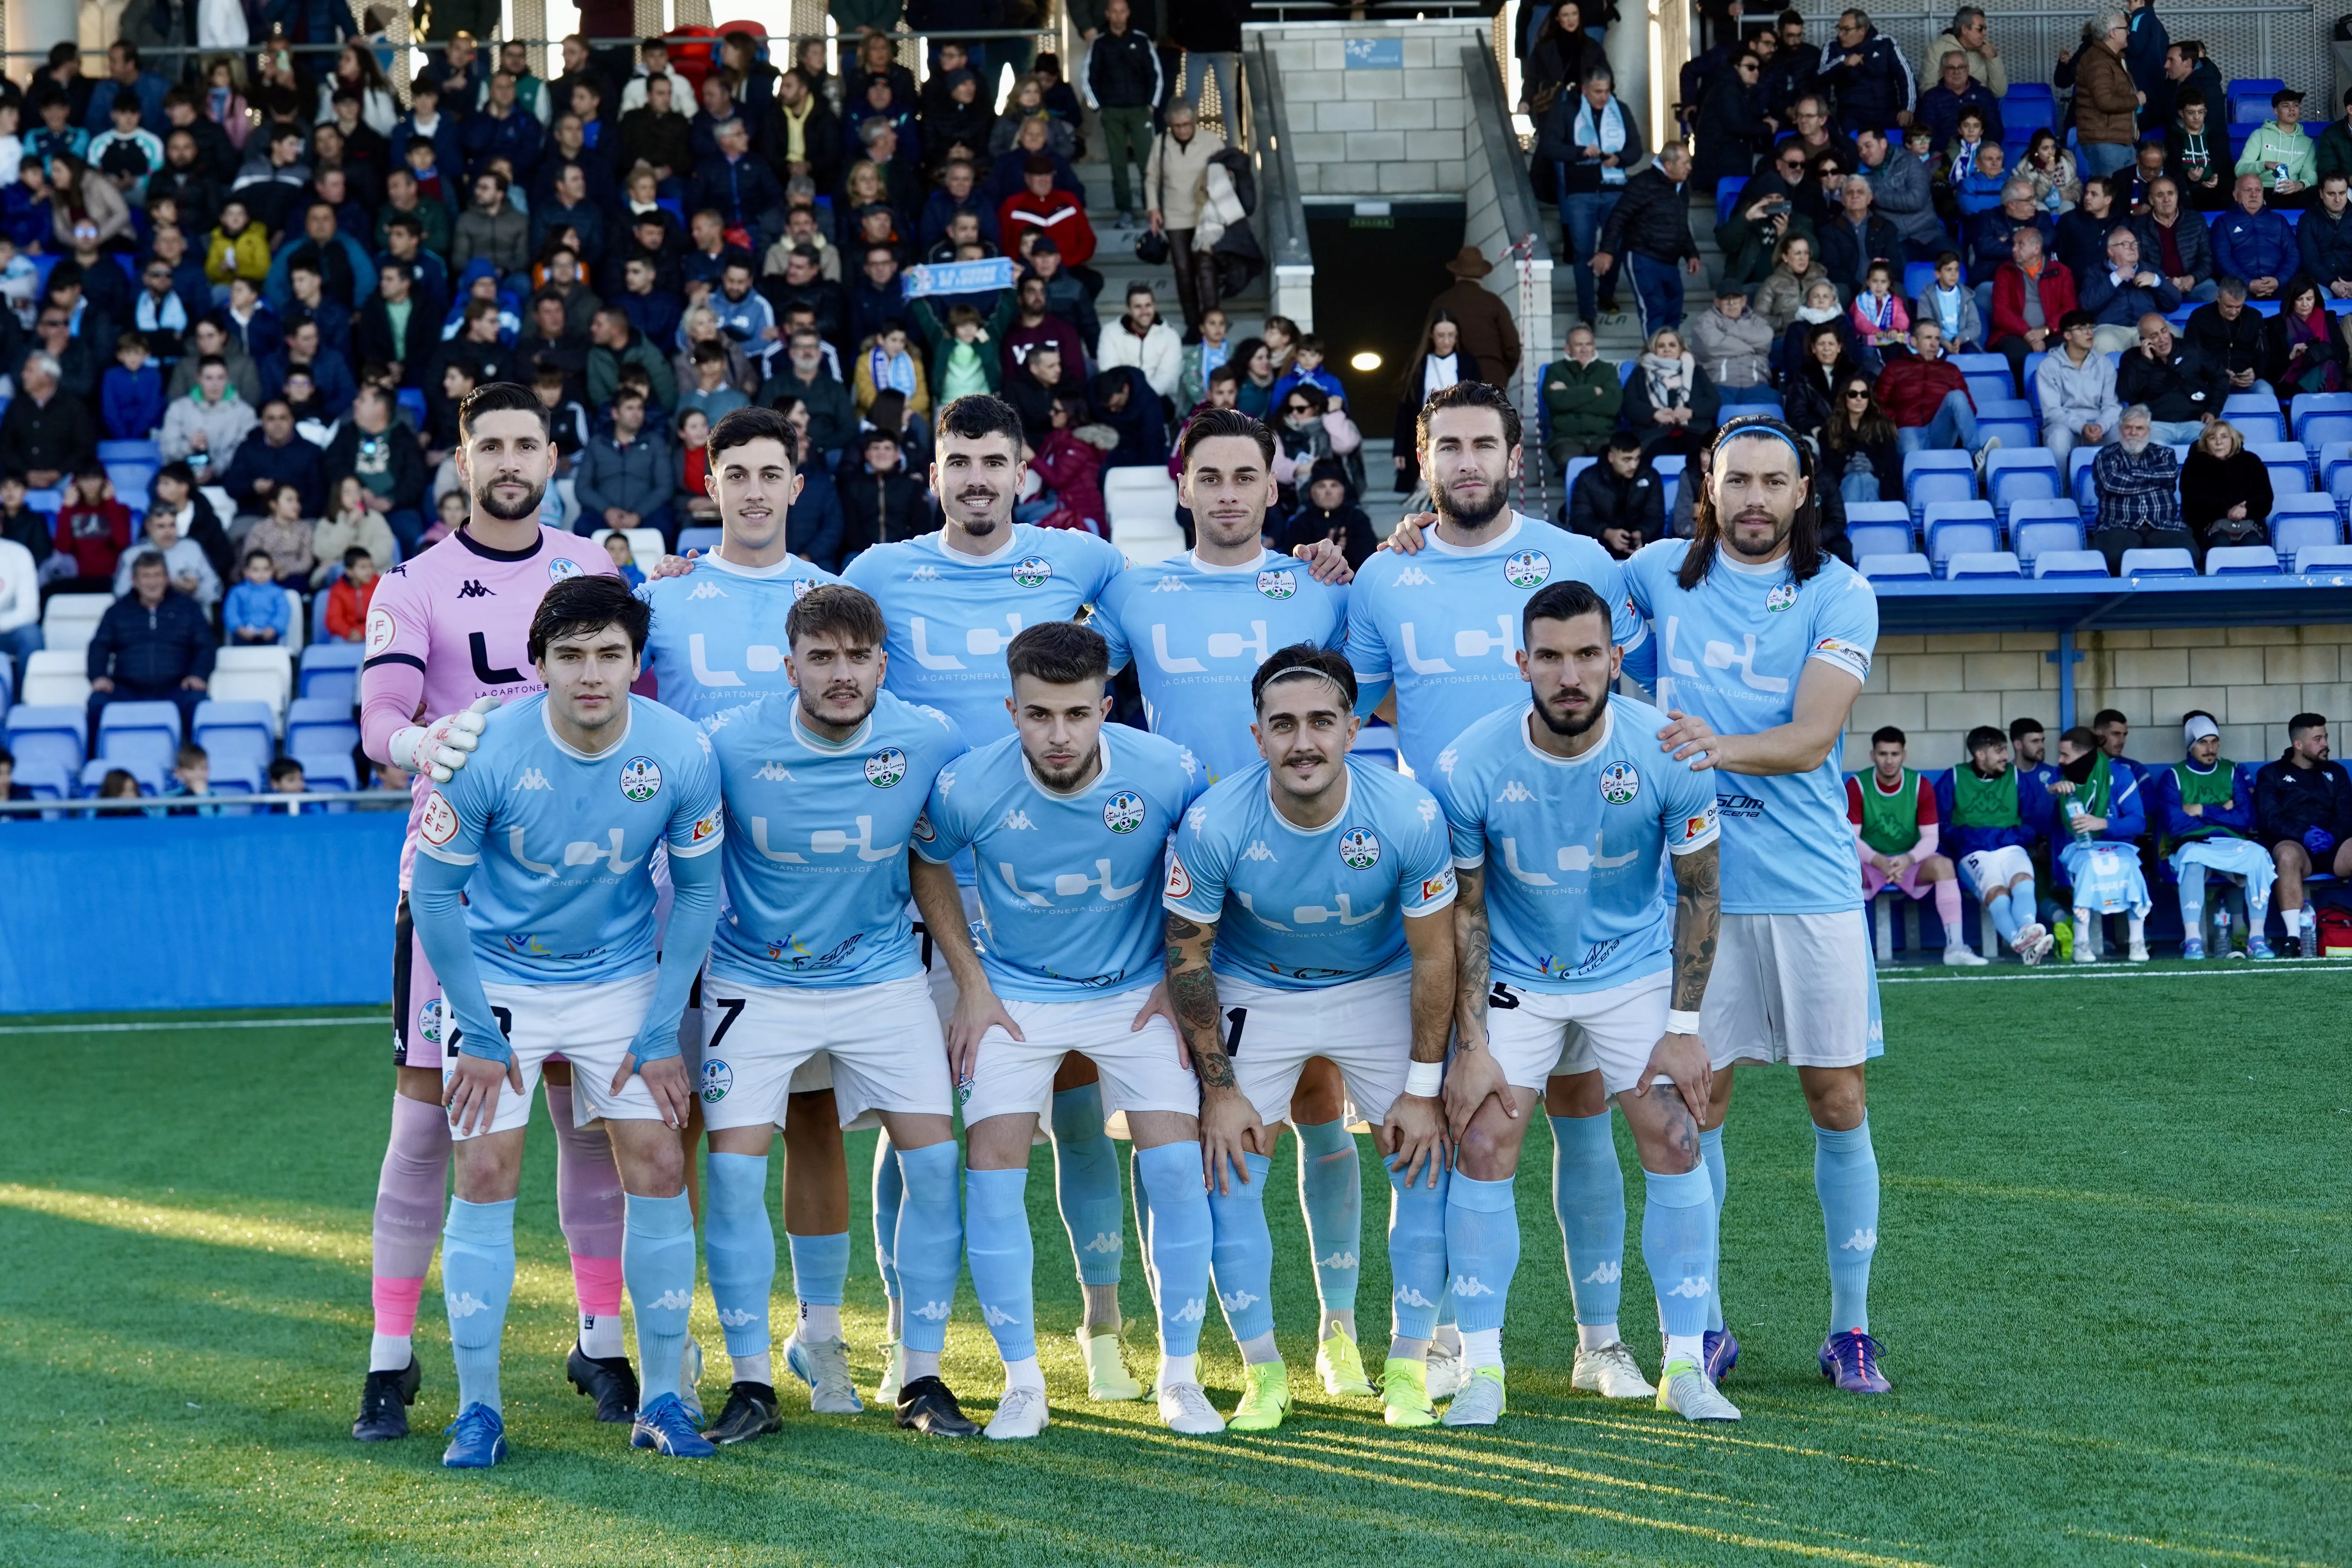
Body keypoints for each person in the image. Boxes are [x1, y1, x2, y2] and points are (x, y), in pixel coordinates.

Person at [837, 396, 1140, 1407]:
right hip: (922, 887)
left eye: (993, 461)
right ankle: (901, 1340)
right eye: (958, 460)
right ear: (934, 472)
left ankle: (1103, 1327)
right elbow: (816, 642)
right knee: (910, 1125)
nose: (975, 477)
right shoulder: (878, 572)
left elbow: (1174, 605)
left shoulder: (1082, 561)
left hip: (1054, 890)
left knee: (1082, 1114)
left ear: (1024, 473)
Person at [349, 384, 628, 1447]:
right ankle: (389, 1359)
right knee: (427, 1122)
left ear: (552, 455)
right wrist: (422, 744)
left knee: (587, 1120)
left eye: (527, 443)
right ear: (461, 461)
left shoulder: (592, 567)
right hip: (457, 886)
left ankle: (601, 1341)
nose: (510, 461)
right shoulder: (414, 583)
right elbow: (379, 716)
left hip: (591, 882)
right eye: (490, 446)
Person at [406, 573, 721, 1470]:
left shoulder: (681, 752)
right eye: (572, 654)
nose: (592, 673)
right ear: (538, 662)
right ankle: (478, 1410)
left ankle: (662, 1396)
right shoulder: (488, 752)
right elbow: (434, 893)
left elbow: (696, 896)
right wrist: (479, 1029)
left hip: (621, 979)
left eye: (611, 654)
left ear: (635, 664)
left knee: (661, 1161)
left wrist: (661, 1029)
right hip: (501, 979)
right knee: (488, 1166)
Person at [1417, 577, 1731, 1427]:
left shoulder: (1668, 750)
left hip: (1629, 969)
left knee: (1674, 1131)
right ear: (1522, 662)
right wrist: (1473, 1041)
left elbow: (1701, 892)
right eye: (1550, 656)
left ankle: (1685, 1365)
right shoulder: (1470, 763)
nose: (1569, 674)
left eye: (1587, 654)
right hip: (1521, 972)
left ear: (1614, 660)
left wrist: (1682, 1028)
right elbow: (1466, 911)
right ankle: (1483, 1367)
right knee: (1483, 1139)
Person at [1618, 417, 1887, 1393]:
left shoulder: (1838, 591)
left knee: (1839, 1097)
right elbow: (1549, 609)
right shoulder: (1653, 575)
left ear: (1804, 488)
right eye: (1739, 481)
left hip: (1810, 884)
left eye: (1775, 481)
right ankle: (1706, 1325)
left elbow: (1812, 737)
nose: (1756, 500)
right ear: (1708, 484)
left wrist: (1701, 746)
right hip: (1695, 890)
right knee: (1701, 1098)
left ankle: (1851, 1328)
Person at [690, 581, 981, 1442]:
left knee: (934, 1166)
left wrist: (979, 981)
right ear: (790, 667)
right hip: (755, 980)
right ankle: (750, 1382)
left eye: (859, 657)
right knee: (736, 1171)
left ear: (884, 663)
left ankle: (922, 1375)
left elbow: (989, 826)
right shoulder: (728, 743)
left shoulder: (930, 740)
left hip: (881, 978)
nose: (842, 674)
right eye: (822, 658)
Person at [911, 619, 1216, 1438]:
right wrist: (971, 983)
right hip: (1014, 994)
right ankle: (1022, 1384)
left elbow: (1216, 860)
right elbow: (926, 857)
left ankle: (1181, 1378)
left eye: (1077, 714)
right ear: (1011, 707)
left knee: (1179, 1168)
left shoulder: (1167, 771)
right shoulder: (969, 783)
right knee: (994, 1165)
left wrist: (1174, 976)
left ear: (1106, 707)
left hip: (1134, 994)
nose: (1058, 734)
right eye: (1039, 713)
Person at [1848, 726, 1982, 965]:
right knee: (1840, 873)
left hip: (1909, 861)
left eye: (1895, 754)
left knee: (1944, 866)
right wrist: (1879, 861)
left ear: (1904, 755)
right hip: (1870, 862)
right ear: (1872, 755)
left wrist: (1908, 859)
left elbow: (1931, 838)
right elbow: (1851, 838)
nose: (1889, 761)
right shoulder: (1857, 785)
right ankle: (1845, 953)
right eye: (1883, 754)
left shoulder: (1920, 785)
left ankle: (1956, 947)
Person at [2150, 712, 2278, 959]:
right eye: (2202, 743)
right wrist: (2223, 810)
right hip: (2193, 843)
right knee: (2193, 860)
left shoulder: (2232, 771)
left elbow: (2246, 818)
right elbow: (2176, 825)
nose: (2210, 749)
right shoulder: (2174, 776)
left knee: (2259, 856)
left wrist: (2200, 810)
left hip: (2232, 842)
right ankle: (2193, 940)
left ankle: (2257, 939)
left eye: (2214, 742)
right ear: (2191, 745)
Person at [1935, 726, 2055, 964]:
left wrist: (2016, 837)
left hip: (2011, 846)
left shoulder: (2016, 776)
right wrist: (1969, 838)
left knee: (2023, 879)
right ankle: (2023, 944)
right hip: (1974, 852)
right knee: (1997, 892)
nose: (2005, 757)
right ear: (1981, 755)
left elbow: (2032, 819)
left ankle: (2027, 930)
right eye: (1999, 751)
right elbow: (1940, 822)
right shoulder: (1955, 777)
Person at [2046, 724, 2152, 962]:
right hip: (2077, 848)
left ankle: (2137, 941)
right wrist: (2051, 792)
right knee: (2088, 866)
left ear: (2084, 756)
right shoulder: (2058, 777)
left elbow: (2138, 822)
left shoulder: (2121, 775)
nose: (2061, 761)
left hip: (2119, 846)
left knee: (2130, 867)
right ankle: (2082, 943)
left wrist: (2103, 823)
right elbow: (2038, 821)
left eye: (2066, 755)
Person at [85, 550, 214, 745]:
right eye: (146, 576)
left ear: (167, 578)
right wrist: (99, 676)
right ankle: (95, 767)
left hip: (176, 687)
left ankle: (197, 768)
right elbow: (99, 646)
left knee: (199, 703)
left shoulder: (188, 608)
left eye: (157, 576)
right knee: (97, 704)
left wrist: (198, 675)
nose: (152, 583)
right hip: (127, 689)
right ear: (134, 580)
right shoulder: (117, 611)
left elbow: (206, 645)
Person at [1545, 68, 1641, 326]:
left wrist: (1619, 158)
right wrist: (1580, 152)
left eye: (1607, 91)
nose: (1603, 97)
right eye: (1598, 92)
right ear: (1585, 90)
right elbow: (1550, 147)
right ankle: (1586, 310)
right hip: (1581, 191)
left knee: (1616, 246)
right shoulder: (1567, 111)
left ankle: (1606, 296)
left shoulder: (1619, 109)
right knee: (1582, 251)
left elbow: (1636, 149)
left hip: (1615, 188)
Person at [2254, 713, 2352, 955]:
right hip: (2297, 849)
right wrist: (2303, 835)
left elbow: (2347, 814)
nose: (2326, 744)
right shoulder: (2272, 774)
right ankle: (2293, 939)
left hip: (2334, 849)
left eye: (2326, 737)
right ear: (2298, 744)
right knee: (2286, 854)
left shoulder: (2336, 773)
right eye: (2318, 739)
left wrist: (2331, 835)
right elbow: (2270, 819)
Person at [1593, 144, 1702, 336]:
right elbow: (1618, 217)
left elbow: (1680, 223)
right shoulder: (1642, 183)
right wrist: (1607, 250)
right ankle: (1654, 359)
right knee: (1655, 308)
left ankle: (1670, 356)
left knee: (1674, 310)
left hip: (1670, 260)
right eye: (1686, 163)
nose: (1690, 168)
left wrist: (1691, 253)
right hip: (1642, 255)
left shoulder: (1682, 185)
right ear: (1668, 165)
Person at [1143, 98, 1225, 337]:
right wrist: (1154, 209)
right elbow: (1152, 178)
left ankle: (1212, 323)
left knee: (1207, 269)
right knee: (1183, 270)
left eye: (1187, 124)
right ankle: (1192, 324)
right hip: (1175, 215)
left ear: (1195, 121)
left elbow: (1226, 176)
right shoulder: (1161, 143)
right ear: (1170, 125)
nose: (1183, 130)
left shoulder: (1211, 141)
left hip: (1206, 215)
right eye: (1177, 126)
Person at [1083, 0, 1161, 228]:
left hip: (1140, 111)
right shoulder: (1099, 43)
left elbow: (1155, 74)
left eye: (1122, 11)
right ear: (1107, 14)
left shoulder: (1141, 40)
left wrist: (1151, 105)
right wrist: (1099, 107)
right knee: (1118, 164)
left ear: (1128, 13)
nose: (1118, 16)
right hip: (1113, 112)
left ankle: (1153, 209)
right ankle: (1125, 211)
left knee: (1148, 163)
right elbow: (1088, 77)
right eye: (1114, 12)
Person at [1877, 318, 1997, 465]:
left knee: (1957, 397)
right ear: (1914, 342)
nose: (1934, 344)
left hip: (1940, 432)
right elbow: (1877, 403)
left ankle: (1975, 457)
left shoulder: (1951, 370)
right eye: (1928, 338)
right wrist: (1895, 422)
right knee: (1914, 458)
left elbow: (1969, 408)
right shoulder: (1895, 368)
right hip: (1907, 430)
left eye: (1937, 339)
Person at [2089, 405, 2192, 572]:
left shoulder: (2164, 454)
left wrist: (2129, 478)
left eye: (2139, 428)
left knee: (2186, 555)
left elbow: (2170, 475)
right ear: (2120, 430)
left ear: (2148, 431)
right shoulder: (2105, 455)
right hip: (2118, 526)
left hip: (2163, 524)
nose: (2134, 433)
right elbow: (2110, 483)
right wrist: (2154, 482)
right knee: (2117, 558)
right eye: (2128, 428)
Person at [1390, 315, 1486, 493]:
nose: (1447, 340)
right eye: (1441, 335)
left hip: (1461, 430)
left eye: (1451, 335)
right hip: (1426, 432)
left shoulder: (1467, 362)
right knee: (1428, 485)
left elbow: (1478, 401)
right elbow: (1406, 407)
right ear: (1432, 336)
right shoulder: (1419, 364)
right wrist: (1400, 449)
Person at [2116, 312, 2225, 443]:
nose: (2163, 339)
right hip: (2155, 425)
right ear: (2143, 341)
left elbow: (2221, 377)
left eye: (2164, 331)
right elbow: (2126, 394)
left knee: (2210, 448)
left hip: (2195, 422)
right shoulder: (2132, 358)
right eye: (2154, 336)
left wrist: (2213, 410)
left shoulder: (2190, 349)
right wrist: (2146, 362)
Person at [1621, 325, 1719, 460]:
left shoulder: (1696, 371)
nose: (1667, 349)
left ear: (1681, 349)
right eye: (1661, 346)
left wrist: (1690, 412)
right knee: (1659, 453)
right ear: (1654, 349)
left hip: (1694, 431)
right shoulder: (1641, 372)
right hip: (1655, 433)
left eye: (1672, 345)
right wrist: (1655, 414)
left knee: (1698, 457)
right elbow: (1629, 405)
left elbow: (1714, 402)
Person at [2177, 421, 2275, 555]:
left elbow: (2265, 499)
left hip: (2248, 522)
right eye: (2213, 438)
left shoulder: (2252, 461)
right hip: (2207, 525)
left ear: (2233, 439)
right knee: (2221, 542)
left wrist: (2246, 510)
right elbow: (2192, 505)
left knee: (2252, 542)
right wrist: (2226, 512)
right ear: (2205, 443)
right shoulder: (2194, 464)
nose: (2219, 442)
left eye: (2224, 437)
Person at [1538, 323, 1622, 469]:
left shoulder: (1608, 370)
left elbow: (1612, 405)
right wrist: (1593, 391)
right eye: (1578, 345)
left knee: (1610, 463)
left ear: (1594, 347)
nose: (1584, 350)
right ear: (1568, 349)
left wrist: (1570, 393)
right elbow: (1556, 402)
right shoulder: (1555, 370)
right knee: (1569, 462)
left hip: (1603, 437)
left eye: (1588, 344)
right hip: (1566, 438)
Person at [2081, 228, 2181, 350]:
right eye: (2125, 245)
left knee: (2175, 334)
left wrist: (2157, 283)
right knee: (2102, 341)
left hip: (2150, 327)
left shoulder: (2151, 270)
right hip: (2112, 330)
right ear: (2111, 251)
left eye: (2135, 244)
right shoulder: (2095, 273)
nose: (2133, 248)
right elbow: (2087, 305)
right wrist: (2116, 278)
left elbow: (2174, 304)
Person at [1567, 431, 1665, 556]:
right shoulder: (1587, 479)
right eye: (1627, 460)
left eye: (1637, 458)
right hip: (1598, 549)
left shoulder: (1651, 476)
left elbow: (1655, 515)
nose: (1633, 465)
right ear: (1611, 458)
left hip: (1641, 549)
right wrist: (1607, 533)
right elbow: (1580, 518)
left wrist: (1642, 534)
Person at [1820, 9, 1916, 136]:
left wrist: (1907, 109)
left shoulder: (1886, 43)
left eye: (1846, 30)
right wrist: (1843, 63)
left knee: (1904, 137)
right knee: (1851, 144)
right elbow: (1821, 75)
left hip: (1887, 110)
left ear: (1862, 31)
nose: (1840, 34)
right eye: (1839, 29)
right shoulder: (1832, 46)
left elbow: (1906, 75)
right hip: (1851, 113)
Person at [1814, 175, 1906, 304]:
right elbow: (1831, 268)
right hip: (1849, 289)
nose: (1855, 196)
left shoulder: (1886, 228)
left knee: (1899, 290)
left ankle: (1901, 325)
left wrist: (1877, 284)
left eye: (1860, 192)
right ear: (1842, 200)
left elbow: (1895, 266)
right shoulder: (1830, 230)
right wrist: (1860, 288)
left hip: (1881, 287)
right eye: (1850, 193)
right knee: (1839, 291)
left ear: (1870, 198)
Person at [113, 506, 219, 613]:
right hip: (145, 619)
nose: (168, 532)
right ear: (148, 527)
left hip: (188, 618)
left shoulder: (193, 549)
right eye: (161, 526)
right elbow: (121, 594)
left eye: (172, 525)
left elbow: (215, 593)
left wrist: (196, 590)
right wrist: (154, 587)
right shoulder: (133, 554)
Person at [2073, 12, 2140, 181]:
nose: (2129, 33)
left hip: (2116, 139)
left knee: (2124, 195)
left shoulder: (2112, 59)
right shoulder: (2099, 62)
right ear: (2112, 32)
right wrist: (2137, 100)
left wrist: (2132, 126)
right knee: (2110, 196)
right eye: (2126, 28)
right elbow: (2106, 101)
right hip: (2105, 142)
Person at [1819, 371, 1901, 503]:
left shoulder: (1883, 427)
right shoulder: (1829, 430)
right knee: (1857, 479)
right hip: (1843, 486)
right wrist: (1846, 467)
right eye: (1853, 394)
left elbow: (1891, 464)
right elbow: (1827, 466)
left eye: (1864, 395)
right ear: (1844, 397)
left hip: (1879, 487)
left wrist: (1873, 466)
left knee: (1864, 478)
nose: (1859, 399)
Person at [2213, 175, 2296, 301]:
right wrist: (2248, 283)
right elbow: (2222, 259)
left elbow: (2293, 254)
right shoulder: (2223, 222)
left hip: (2279, 285)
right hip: (2239, 287)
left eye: (2258, 190)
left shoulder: (2279, 220)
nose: (2254, 195)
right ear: (2236, 195)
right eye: (2248, 190)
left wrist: (2279, 280)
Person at [2132, 177, 2215, 304]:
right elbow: (2137, 263)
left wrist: (2192, 278)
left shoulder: (2196, 220)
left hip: (2194, 284)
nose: (2167, 200)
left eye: (2171, 194)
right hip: (2156, 287)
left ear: (2177, 196)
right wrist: (2163, 281)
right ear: (2151, 200)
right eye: (2160, 195)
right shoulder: (2138, 226)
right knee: (2138, 301)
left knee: (2214, 295)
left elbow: (2207, 259)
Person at [2184, 277, 2270, 397]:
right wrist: (2217, 374)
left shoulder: (2254, 317)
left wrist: (2255, 373)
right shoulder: (2200, 317)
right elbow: (2192, 354)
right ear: (2218, 298)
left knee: (2265, 391)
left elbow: (2263, 353)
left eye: (2239, 307)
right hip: (2211, 381)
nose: (2234, 312)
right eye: (2229, 307)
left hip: (2247, 382)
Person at [1689, 285, 1775, 405]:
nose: (1731, 303)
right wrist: (1751, 348)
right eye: (1726, 299)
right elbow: (1711, 346)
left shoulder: (1758, 321)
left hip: (1757, 384)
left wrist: (1729, 330)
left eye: (1736, 298)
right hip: (1719, 385)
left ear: (1744, 301)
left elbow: (1766, 339)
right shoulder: (1705, 321)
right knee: (1723, 415)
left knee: (1762, 417)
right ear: (1717, 302)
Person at [2262, 275, 2344, 397]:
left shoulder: (2328, 319)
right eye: (2300, 299)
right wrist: (2290, 357)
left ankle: (2310, 405)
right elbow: (2269, 365)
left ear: (2316, 299)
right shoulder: (2277, 324)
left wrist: (2320, 351)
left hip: (2327, 375)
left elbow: (2344, 354)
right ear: (2292, 300)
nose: (2305, 304)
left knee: (2329, 366)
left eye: (2309, 299)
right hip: (2292, 381)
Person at [2236, 88, 2316, 210]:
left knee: (2320, 192)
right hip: (2263, 191)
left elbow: (2311, 176)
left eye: (2296, 105)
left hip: (2293, 192)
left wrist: (2299, 185)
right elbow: (2240, 170)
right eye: (2286, 106)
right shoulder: (2260, 135)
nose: (2292, 109)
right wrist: (2266, 164)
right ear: (2276, 112)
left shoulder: (2307, 143)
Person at [1914, 49, 2000, 152]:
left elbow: (1996, 132)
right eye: (1951, 68)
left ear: (1968, 69)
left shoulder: (1984, 94)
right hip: (1943, 156)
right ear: (1942, 71)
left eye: (1961, 67)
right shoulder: (1932, 97)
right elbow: (1925, 134)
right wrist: (1954, 149)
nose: (1956, 72)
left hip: (1979, 154)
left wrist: (1976, 150)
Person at [1753, 232, 1824, 336]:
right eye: (1798, 253)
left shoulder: (1820, 279)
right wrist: (1784, 321)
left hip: (1818, 337)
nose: (1803, 258)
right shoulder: (1772, 283)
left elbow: (1836, 310)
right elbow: (1758, 319)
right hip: (1785, 337)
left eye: (1806, 253)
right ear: (1785, 257)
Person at [223, 548, 289, 644]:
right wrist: (239, 628)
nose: (261, 574)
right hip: (244, 633)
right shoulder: (237, 592)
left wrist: (274, 628)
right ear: (246, 572)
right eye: (256, 570)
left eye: (266, 569)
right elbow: (231, 612)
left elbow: (283, 613)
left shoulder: (278, 593)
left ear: (272, 571)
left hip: (270, 634)